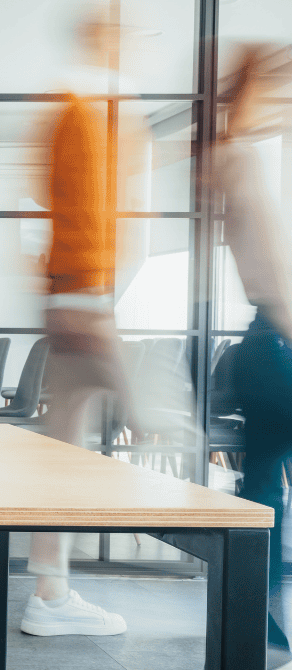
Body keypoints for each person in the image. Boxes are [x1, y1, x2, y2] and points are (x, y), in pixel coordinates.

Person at [19, 0, 151, 638]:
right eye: (122, 31)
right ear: (101, 37)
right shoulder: (83, 111)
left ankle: (50, 591)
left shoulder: (96, 108)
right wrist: (86, 301)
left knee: (65, 450)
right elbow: (81, 220)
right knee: (157, 425)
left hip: (81, 297)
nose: (134, 41)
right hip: (84, 299)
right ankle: (50, 593)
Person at [212, 43, 292, 654]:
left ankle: (253, 611)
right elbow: (275, 279)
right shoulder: (243, 160)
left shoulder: (233, 157)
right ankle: (254, 610)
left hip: (264, 343)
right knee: (265, 486)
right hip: (277, 339)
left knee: (264, 484)